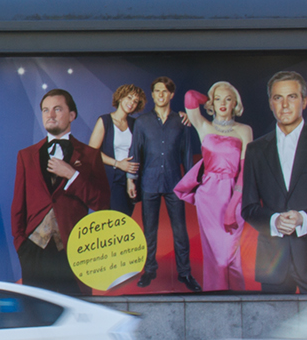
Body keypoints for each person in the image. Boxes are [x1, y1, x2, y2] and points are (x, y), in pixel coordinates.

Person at [241, 70, 307, 295]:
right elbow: (249, 207)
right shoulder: (255, 149)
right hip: (273, 266)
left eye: (291, 97)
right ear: (270, 104)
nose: (284, 105)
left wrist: (303, 219)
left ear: (304, 101)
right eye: (278, 98)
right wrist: (274, 221)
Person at [10, 88, 110, 297]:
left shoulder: (91, 155)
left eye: (57, 109)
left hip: (75, 251)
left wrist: (72, 175)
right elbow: (18, 206)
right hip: (34, 251)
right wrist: (21, 245)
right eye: (46, 110)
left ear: (72, 115)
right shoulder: (26, 156)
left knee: (77, 311)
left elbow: (102, 203)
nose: (51, 115)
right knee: (35, 315)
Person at [174, 82, 255, 292]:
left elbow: (245, 173)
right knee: (216, 258)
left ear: (235, 104)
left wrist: (232, 206)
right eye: (218, 98)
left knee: (229, 256)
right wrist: (208, 97)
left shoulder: (244, 130)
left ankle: (238, 299)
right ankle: (215, 297)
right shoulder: (203, 126)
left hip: (234, 195)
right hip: (208, 197)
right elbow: (191, 96)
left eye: (228, 99)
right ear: (211, 102)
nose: (222, 103)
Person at [134, 76, 200, 291]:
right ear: (152, 95)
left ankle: (185, 273)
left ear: (171, 95)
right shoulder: (142, 122)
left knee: (180, 230)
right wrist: (131, 181)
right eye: (156, 91)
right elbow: (135, 153)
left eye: (165, 91)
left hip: (175, 182)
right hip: (149, 182)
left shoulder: (181, 122)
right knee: (149, 230)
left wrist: (190, 183)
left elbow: (188, 154)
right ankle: (149, 270)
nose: (160, 95)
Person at [88, 84, 144, 215]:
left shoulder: (135, 124)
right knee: (113, 221)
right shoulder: (105, 120)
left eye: (135, 101)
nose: (131, 103)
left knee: (125, 221)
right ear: (120, 98)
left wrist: (130, 179)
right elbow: (92, 152)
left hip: (129, 178)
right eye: (129, 98)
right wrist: (118, 163)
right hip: (110, 178)